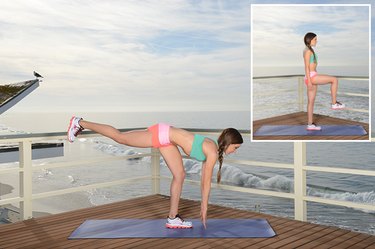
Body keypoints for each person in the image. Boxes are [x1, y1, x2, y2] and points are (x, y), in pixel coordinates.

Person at [67, 116, 243, 228]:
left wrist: (204, 204)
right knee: (121, 138)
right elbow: (205, 182)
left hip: (167, 140)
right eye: (236, 147)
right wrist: (204, 207)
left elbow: (205, 177)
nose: (235, 150)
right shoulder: (212, 151)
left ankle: (172, 218)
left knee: (180, 175)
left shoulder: (212, 149)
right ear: (228, 143)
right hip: (163, 134)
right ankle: (79, 122)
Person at [303, 32, 345, 131]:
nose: (316, 41)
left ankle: (310, 125)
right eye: (315, 39)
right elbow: (306, 67)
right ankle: (334, 103)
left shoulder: (309, 50)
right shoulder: (308, 51)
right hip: (311, 77)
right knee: (334, 80)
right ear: (310, 40)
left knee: (311, 102)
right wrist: (309, 81)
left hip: (311, 77)